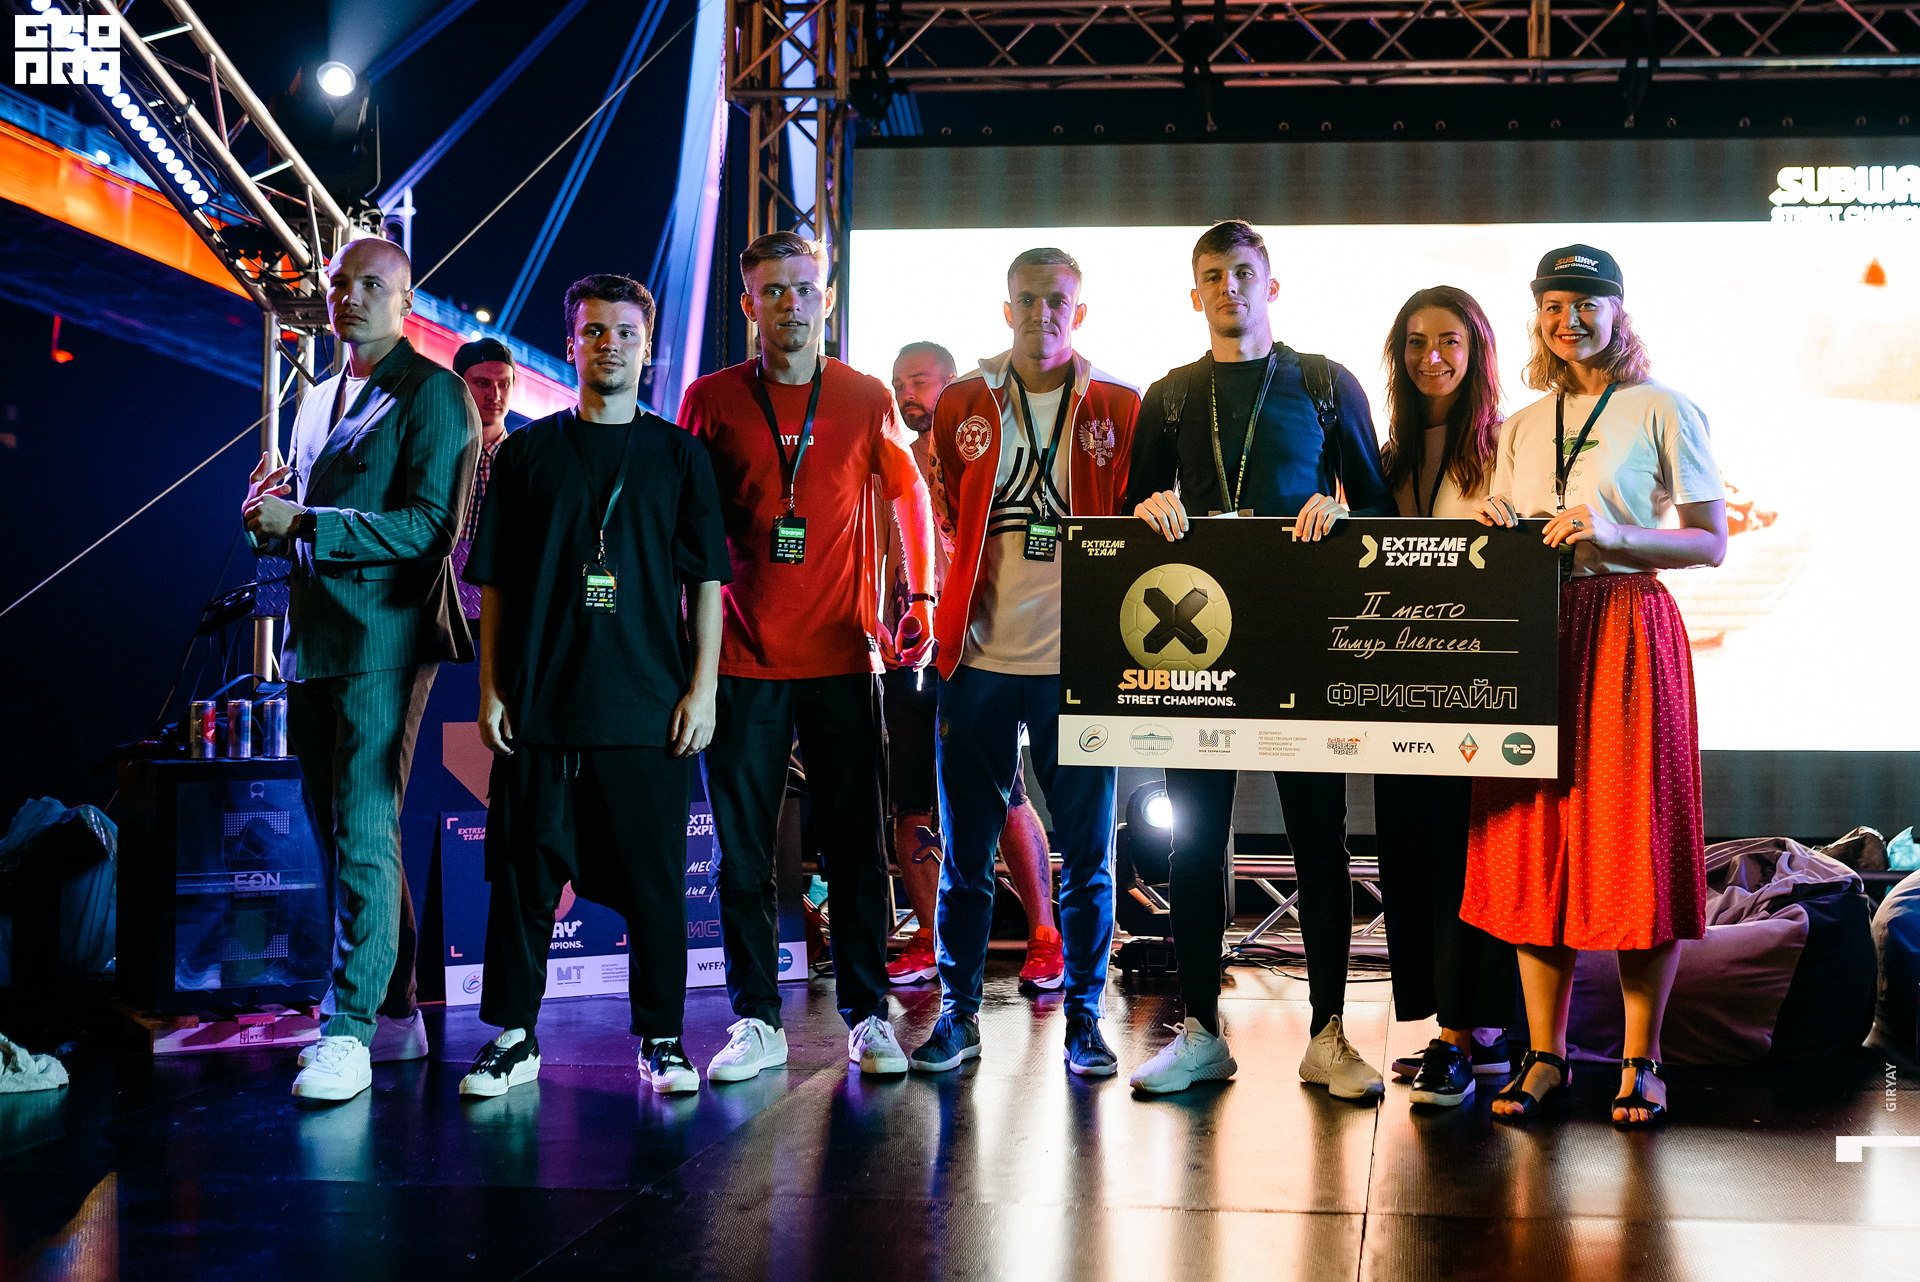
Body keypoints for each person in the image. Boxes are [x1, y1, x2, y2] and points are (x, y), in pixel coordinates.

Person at [1124, 220, 1394, 1098]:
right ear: (1193, 292)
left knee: (1320, 839)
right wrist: (1149, 511)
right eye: (1213, 275)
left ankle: (1328, 1036)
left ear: (1270, 286)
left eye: (1243, 272)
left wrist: (1344, 513)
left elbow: (1380, 509)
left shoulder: (1324, 383)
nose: (1228, 288)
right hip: (1196, 646)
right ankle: (1202, 1033)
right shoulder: (1168, 396)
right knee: (1195, 842)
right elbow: (1131, 518)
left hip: (1301, 642)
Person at [1470, 245, 1726, 1128]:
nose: (1568, 319)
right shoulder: (1520, 425)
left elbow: (1709, 542)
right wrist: (1495, 524)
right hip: (1532, 630)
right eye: (1553, 305)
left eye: (1586, 302)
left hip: (1624, 625)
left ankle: (1640, 1062)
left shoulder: (1663, 407)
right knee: (1531, 836)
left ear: (1617, 311)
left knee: (1633, 841)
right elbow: (1507, 530)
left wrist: (1615, 534)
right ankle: (1544, 1057)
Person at [456, 275, 730, 1098]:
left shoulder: (679, 455)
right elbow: (496, 583)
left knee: (654, 886)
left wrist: (703, 690)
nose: (611, 345)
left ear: (647, 351)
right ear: (571, 344)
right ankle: (513, 1037)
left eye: (626, 333)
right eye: (595, 332)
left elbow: (706, 582)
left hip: (647, 707)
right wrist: (491, 689)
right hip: (541, 707)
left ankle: (663, 1039)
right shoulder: (525, 455)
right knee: (522, 880)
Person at [679, 232, 938, 1081]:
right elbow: (686, 524)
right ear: (748, 303)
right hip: (741, 658)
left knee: (857, 848)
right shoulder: (712, 398)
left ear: (825, 298)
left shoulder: (864, 396)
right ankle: (756, 1019)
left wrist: (921, 599)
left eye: (803, 289)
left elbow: (910, 497)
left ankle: (868, 1015)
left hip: (842, 656)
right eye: (772, 291)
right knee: (743, 855)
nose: (789, 304)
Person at [242, 236, 479, 1101]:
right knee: (343, 834)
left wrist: (304, 522)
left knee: (367, 828)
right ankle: (396, 1011)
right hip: (314, 641)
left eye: (372, 284)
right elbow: (292, 517)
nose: (350, 296)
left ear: (405, 301)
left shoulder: (436, 392)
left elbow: (431, 529)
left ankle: (347, 1031)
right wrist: (263, 517)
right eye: (340, 282)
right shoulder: (313, 401)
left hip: (386, 640)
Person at [910, 247, 1139, 1078]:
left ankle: (1085, 1019)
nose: (1042, 314)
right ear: (1007, 309)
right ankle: (959, 1015)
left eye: (1057, 301)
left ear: (1079, 311)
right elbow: (947, 518)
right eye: (1028, 300)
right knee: (966, 859)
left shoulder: (1119, 405)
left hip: (1078, 667)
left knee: (1088, 859)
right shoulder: (963, 402)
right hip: (976, 663)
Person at [1370, 286, 1518, 1109]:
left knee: (1474, 858)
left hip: (1480, 691)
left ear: (1477, 350)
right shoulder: (1386, 457)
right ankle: (1450, 1026)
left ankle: (1472, 1033)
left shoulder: (1508, 447)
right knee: (1414, 859)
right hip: (1399, 687)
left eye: (1450, 340)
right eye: (1416, 340)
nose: (1432, 356)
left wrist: (1513, 520)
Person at [883, 341, 1065, 993]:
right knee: (911, 799)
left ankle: (1046, 934)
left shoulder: (987, 452)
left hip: (975, 650)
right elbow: (878, 552)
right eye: (899, 384)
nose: (907, 394)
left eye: (920, 381)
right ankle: (930, 935)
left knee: (1004, 794)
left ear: (952, 384)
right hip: (906, 653)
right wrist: (881, 620)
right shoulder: (890, 459)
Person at [451, 338, 516, 621]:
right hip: (434, 603)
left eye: (504, 384)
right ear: (458, 385)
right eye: (482, 383)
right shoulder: (435, 453)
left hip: (502, 604)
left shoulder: (525, 461)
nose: (495, 395)